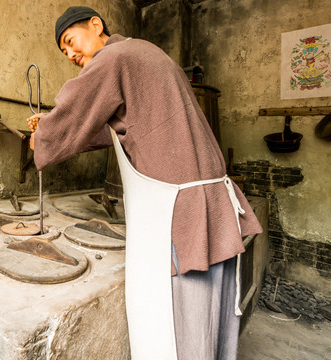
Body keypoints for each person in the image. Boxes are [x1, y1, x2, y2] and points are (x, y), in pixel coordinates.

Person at [27, 6, 263, 360]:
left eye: (70, 41)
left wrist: (43, 135)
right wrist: (53, 125)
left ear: (96, 25)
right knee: (211, 321)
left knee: (180, 328)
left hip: (180, 213)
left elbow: (74, 109)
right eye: (64, 52)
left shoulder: (113, 58)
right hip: (212, 201)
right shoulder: (148, 53)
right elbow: (119, 129)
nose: (71, 54)